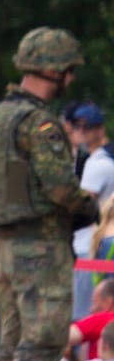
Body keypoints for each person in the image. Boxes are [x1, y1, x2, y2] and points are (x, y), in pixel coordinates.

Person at [0, 26, 100, 361]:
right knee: (44, 336)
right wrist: (91, 208)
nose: (70, 77)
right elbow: (60, 188)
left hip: (6, 241)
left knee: (11, 339)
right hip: (39, 245)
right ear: (54, 70)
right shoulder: (39, 122)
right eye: (67, 69)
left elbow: (12, 184)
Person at [67, 103, 114, 318]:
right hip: (95, 245)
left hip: (89, 247)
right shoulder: (100, 160)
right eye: (77, 127)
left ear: (99, 130)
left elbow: (78, 207)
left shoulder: (98, 164)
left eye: (86, 128)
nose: (80, 132)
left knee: (84, 317)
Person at [70, 279, 114, 361]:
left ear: (108, 302)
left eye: (94, 302)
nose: (91, 309)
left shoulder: (103, 319)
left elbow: (62, 336)